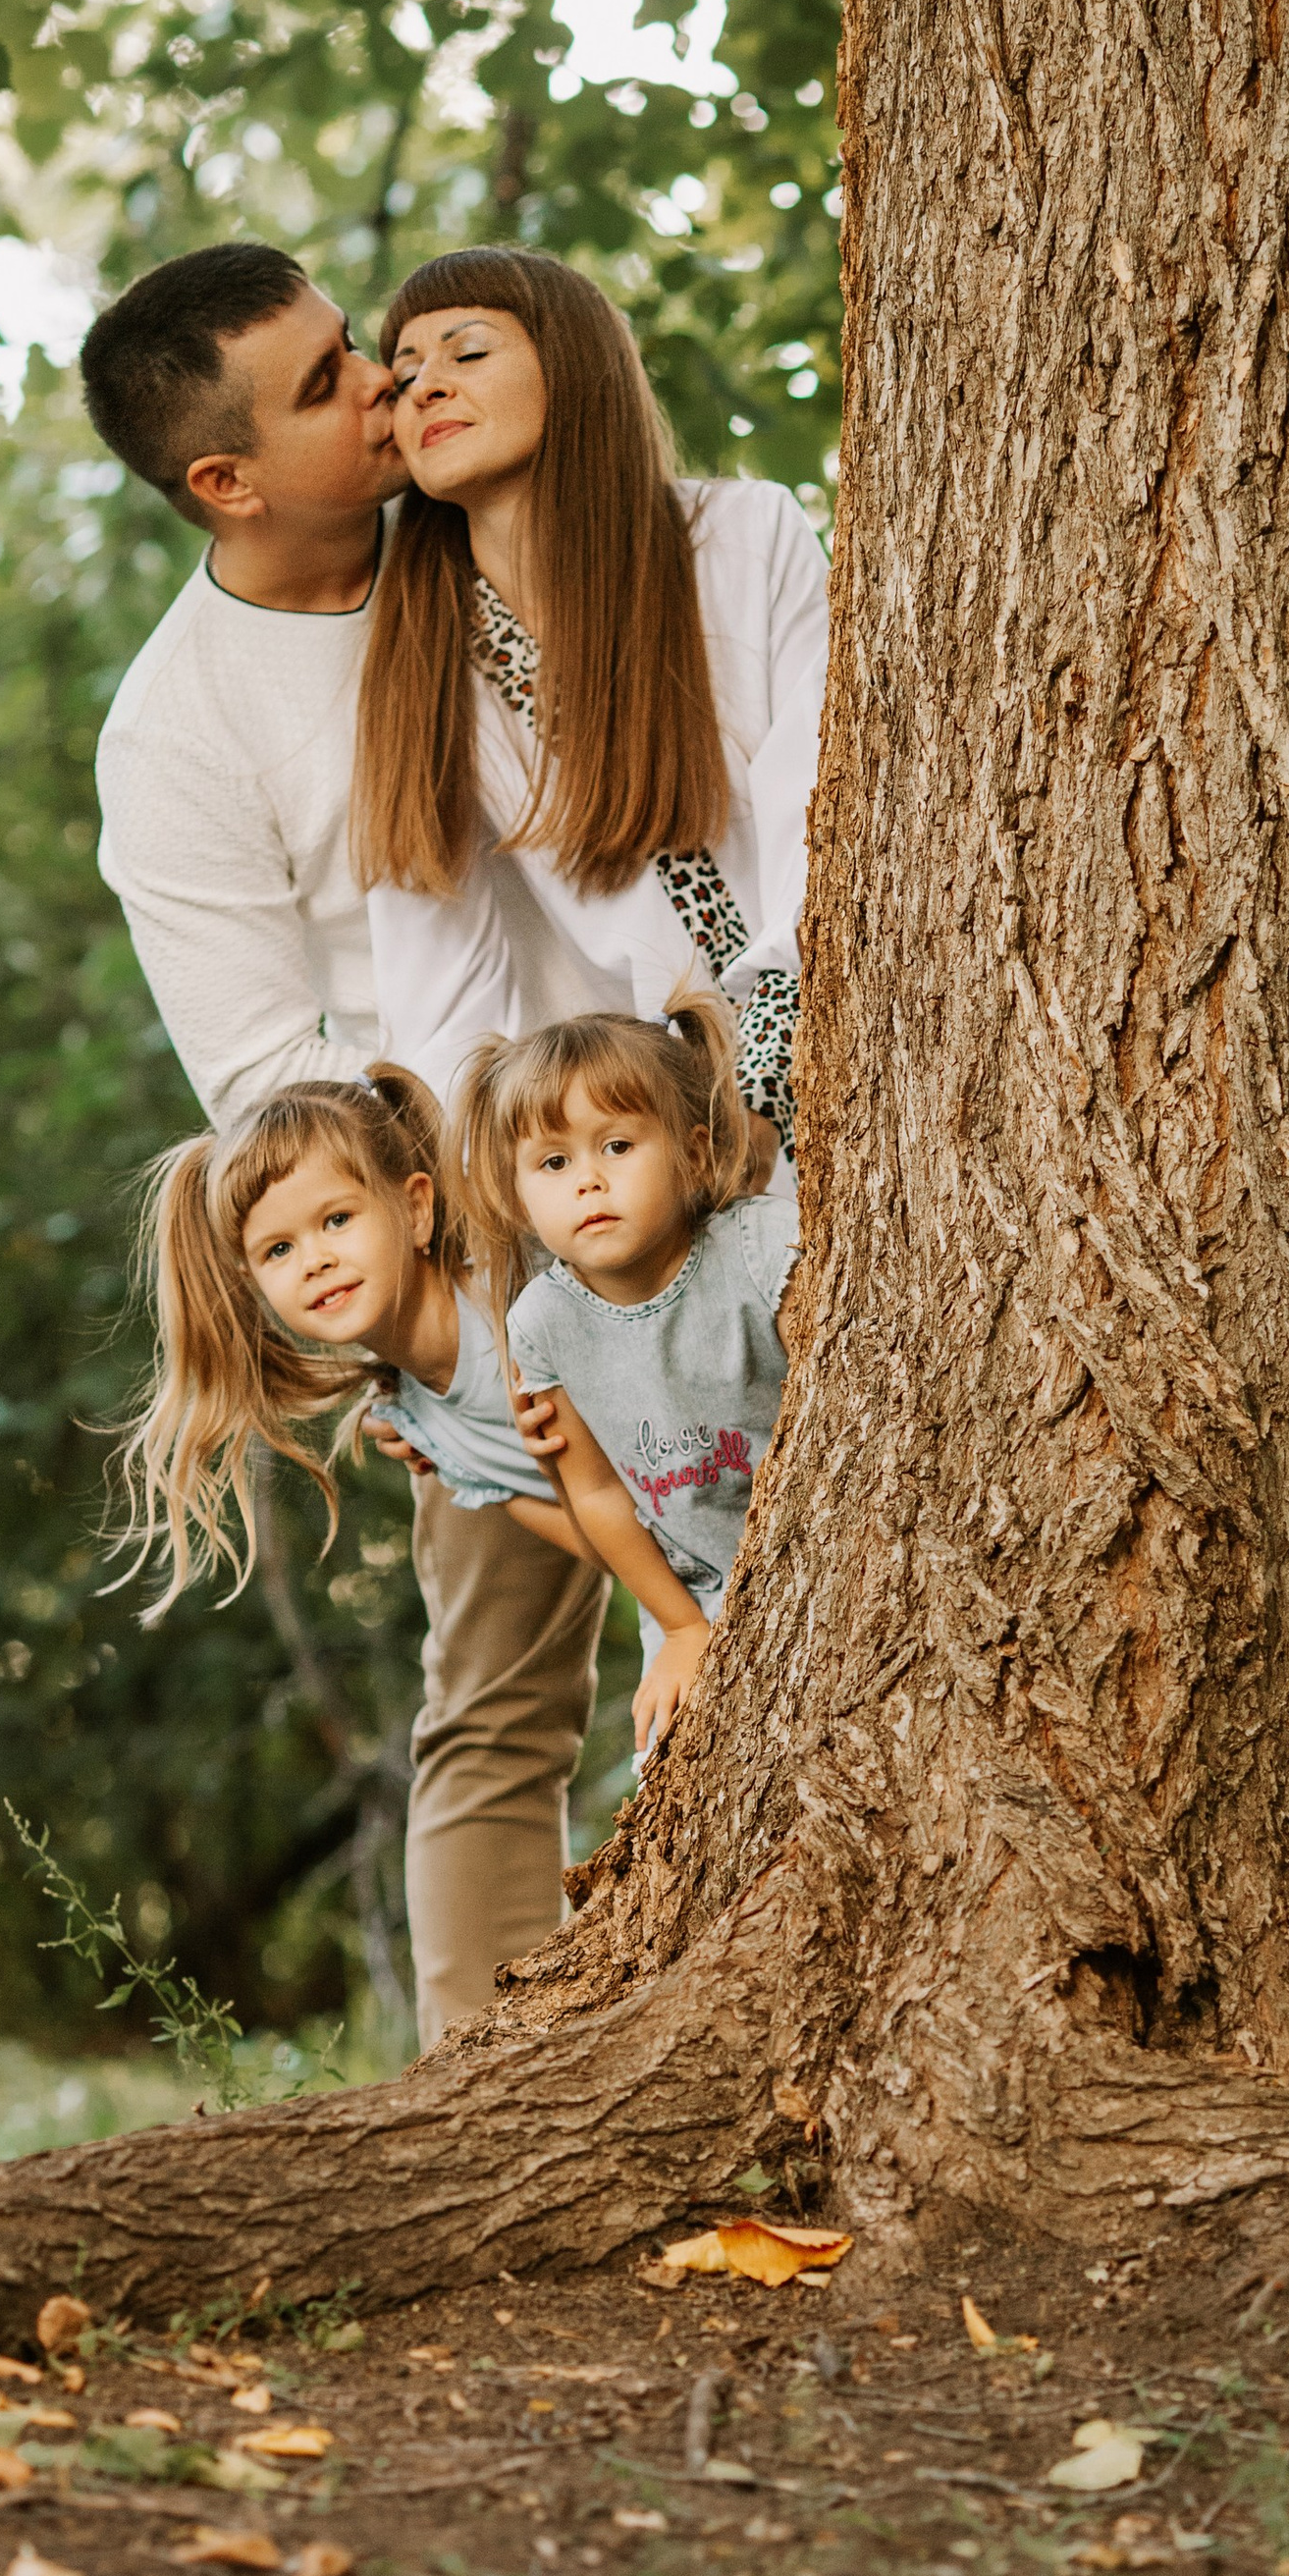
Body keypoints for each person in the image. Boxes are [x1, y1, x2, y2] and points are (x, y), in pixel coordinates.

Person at [81, 243, 606, 2046]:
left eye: (353, 344)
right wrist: (463, 1260)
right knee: (504, 1696)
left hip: (721, 1140)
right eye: (326, 385)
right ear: (225, 480)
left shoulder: (482, 526)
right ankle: (488, 2092)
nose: (385, 383)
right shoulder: (179, 734)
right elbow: (264, 1082)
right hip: (478, 1245)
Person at [354, 248, 829, 1163]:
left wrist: (765, 1085)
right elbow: (438, 1004)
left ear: (573, 363)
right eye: (404, 376)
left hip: (853, 1044)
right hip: (652, 1155)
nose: (425, 387)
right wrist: (503, 1196)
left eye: (467, 352)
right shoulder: (425, 663)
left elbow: (825, 819)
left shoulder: (743, 537)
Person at [457, 998, 800, 1760]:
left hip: (818, 1540)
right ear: (518, 1195)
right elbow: (599, 1492)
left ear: (692, 1153)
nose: (588, 1180)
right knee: (673, 1765)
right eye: (553, 1163)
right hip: (692, 1590)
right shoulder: (541, 1323)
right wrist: (680, 1628)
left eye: (616, 1145)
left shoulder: (760, 1245)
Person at [110, 1068, 575, 1611]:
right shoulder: (418, 1427)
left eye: (336, 1220)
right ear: (252, 1282)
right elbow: (606, 1543)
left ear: (415, 1209)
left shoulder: (532, 1303)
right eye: (278, 1250)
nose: (315, 1261)